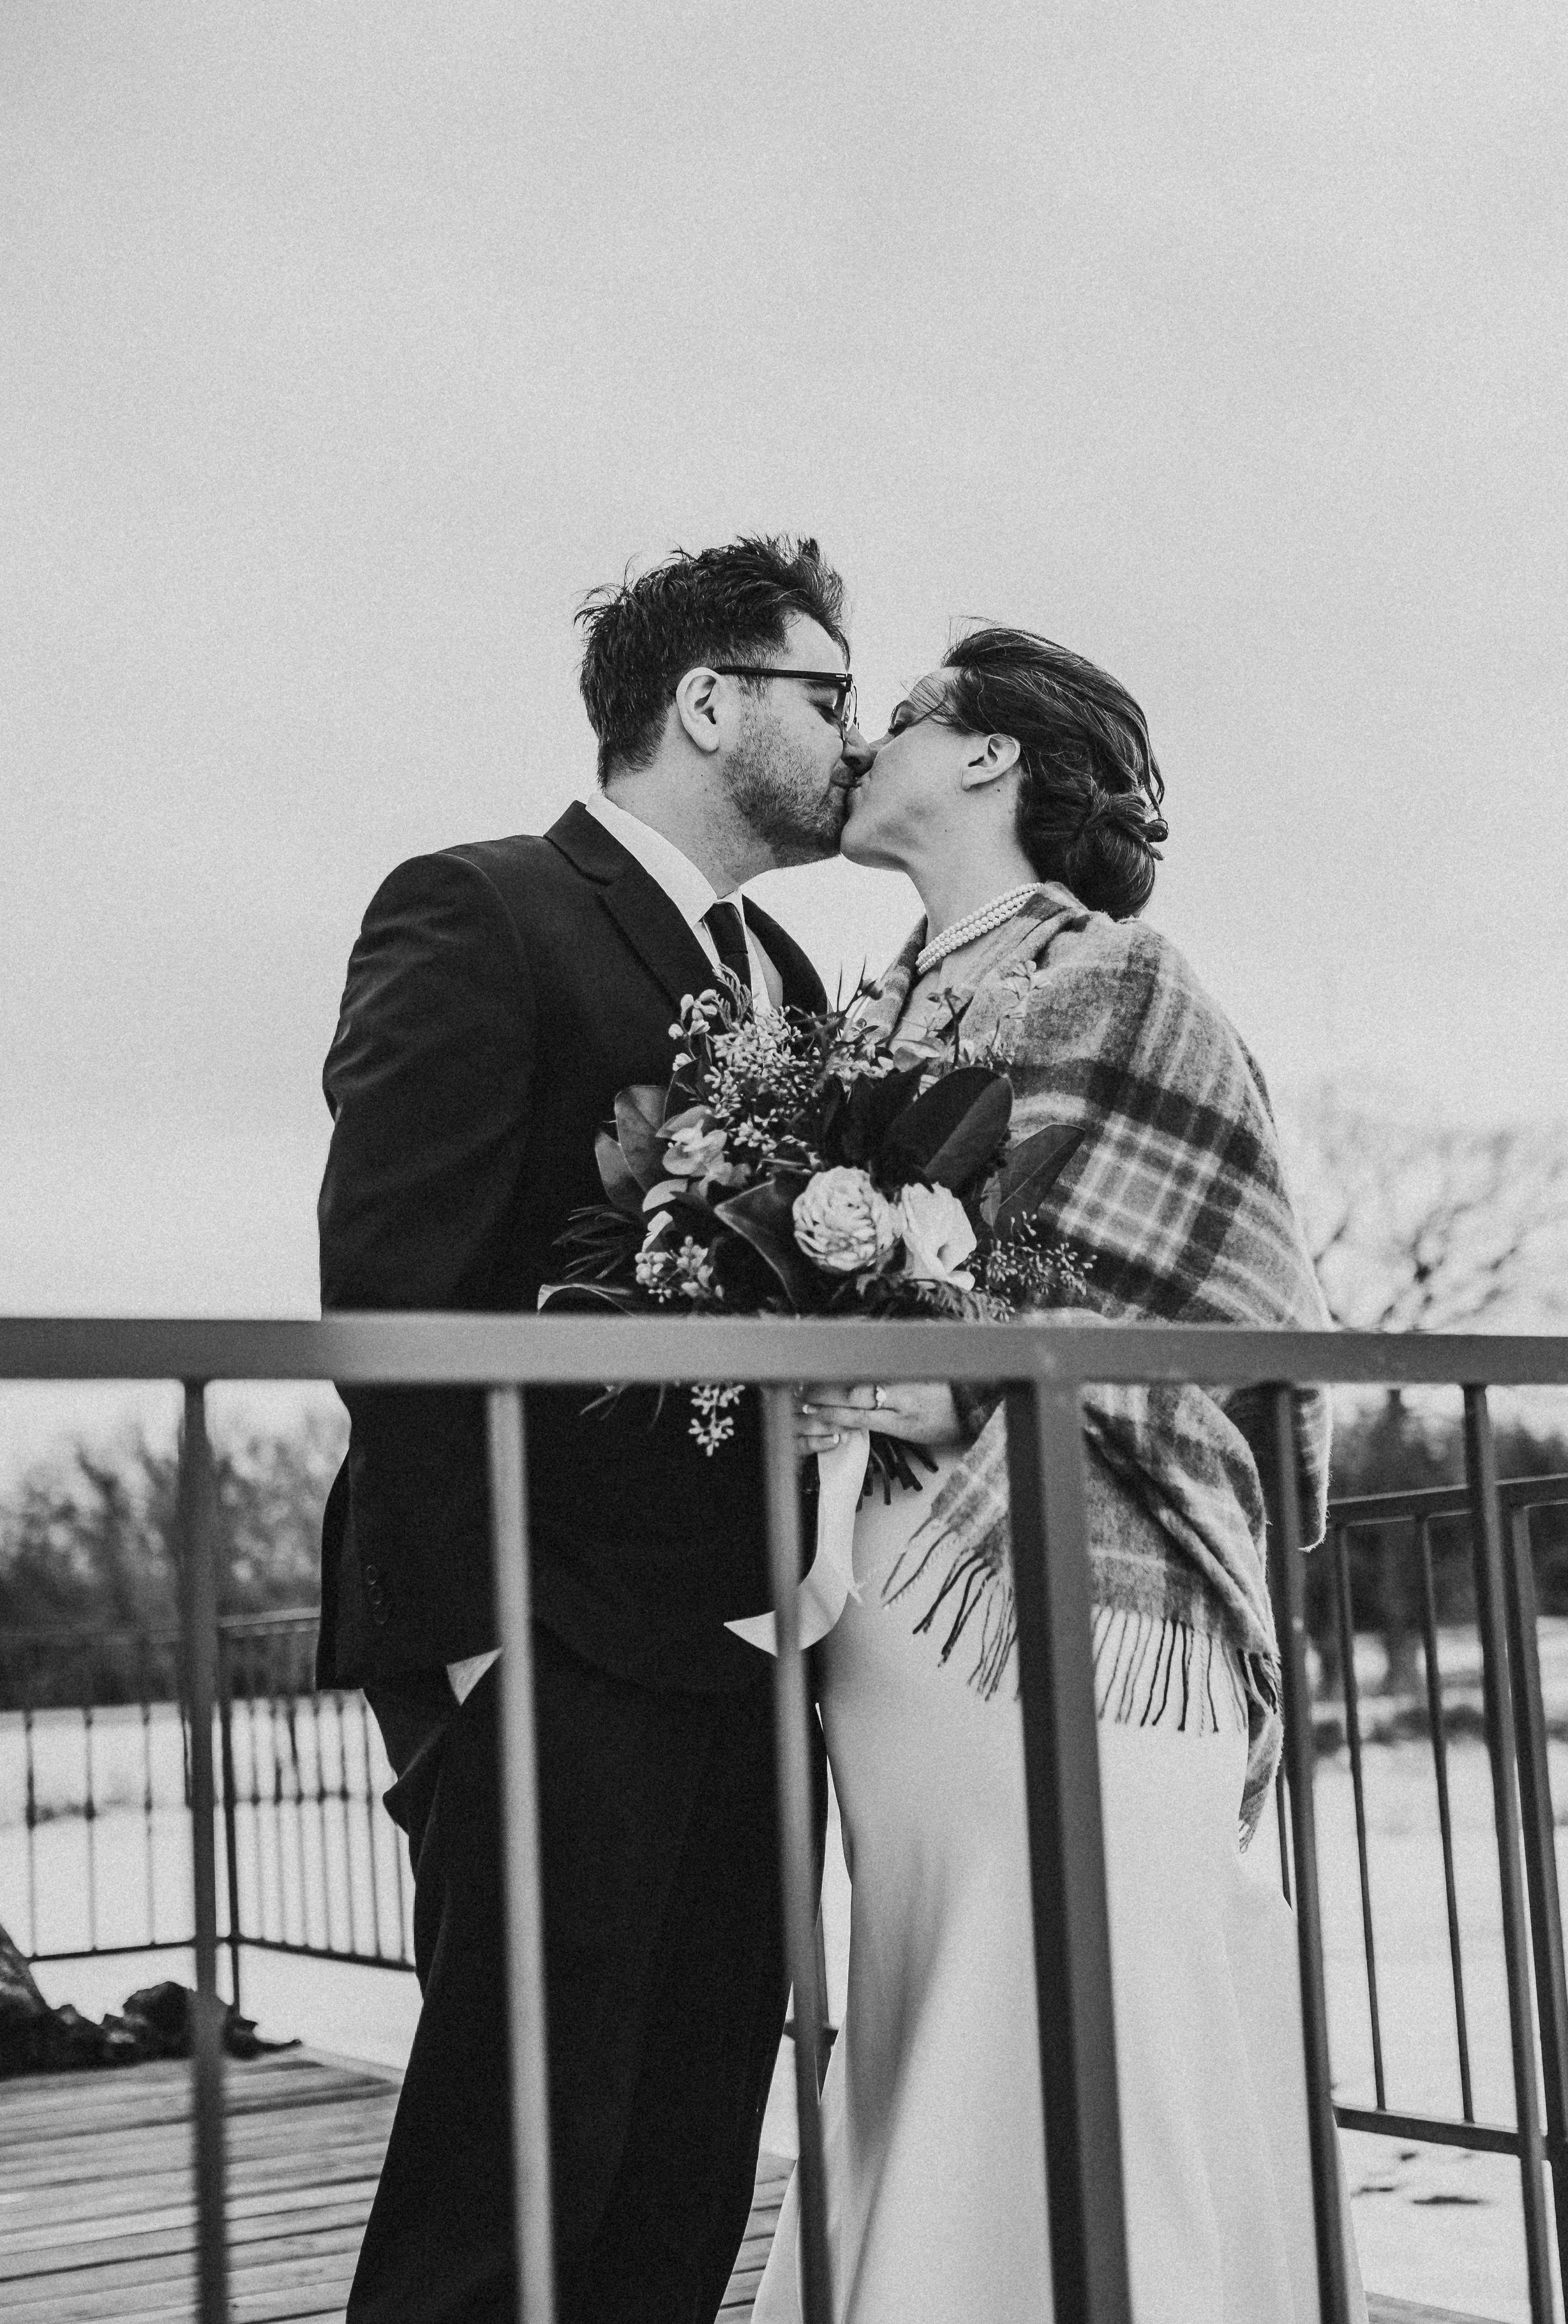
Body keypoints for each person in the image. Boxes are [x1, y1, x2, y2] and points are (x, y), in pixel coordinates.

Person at [754, 627, 1368, 2322]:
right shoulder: (849, 1009)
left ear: (985, 756)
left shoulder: (1125, 976)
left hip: (1090, 1579)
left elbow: (1234, 1299)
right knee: (934, 1986)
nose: (864, 740)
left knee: (1101, 1987)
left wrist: (922, 1295)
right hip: (888, 1590)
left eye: (900, 715)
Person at [316, 535, 869, 2324]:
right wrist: (487, 1648)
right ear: (707, 702)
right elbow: (391, 1283)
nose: (853, 736)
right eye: (828, 691)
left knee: (690, 2150)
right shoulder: (476, 906)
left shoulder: (785, 965)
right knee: (513, 2174)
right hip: (545, 1634)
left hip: (738, 1644)